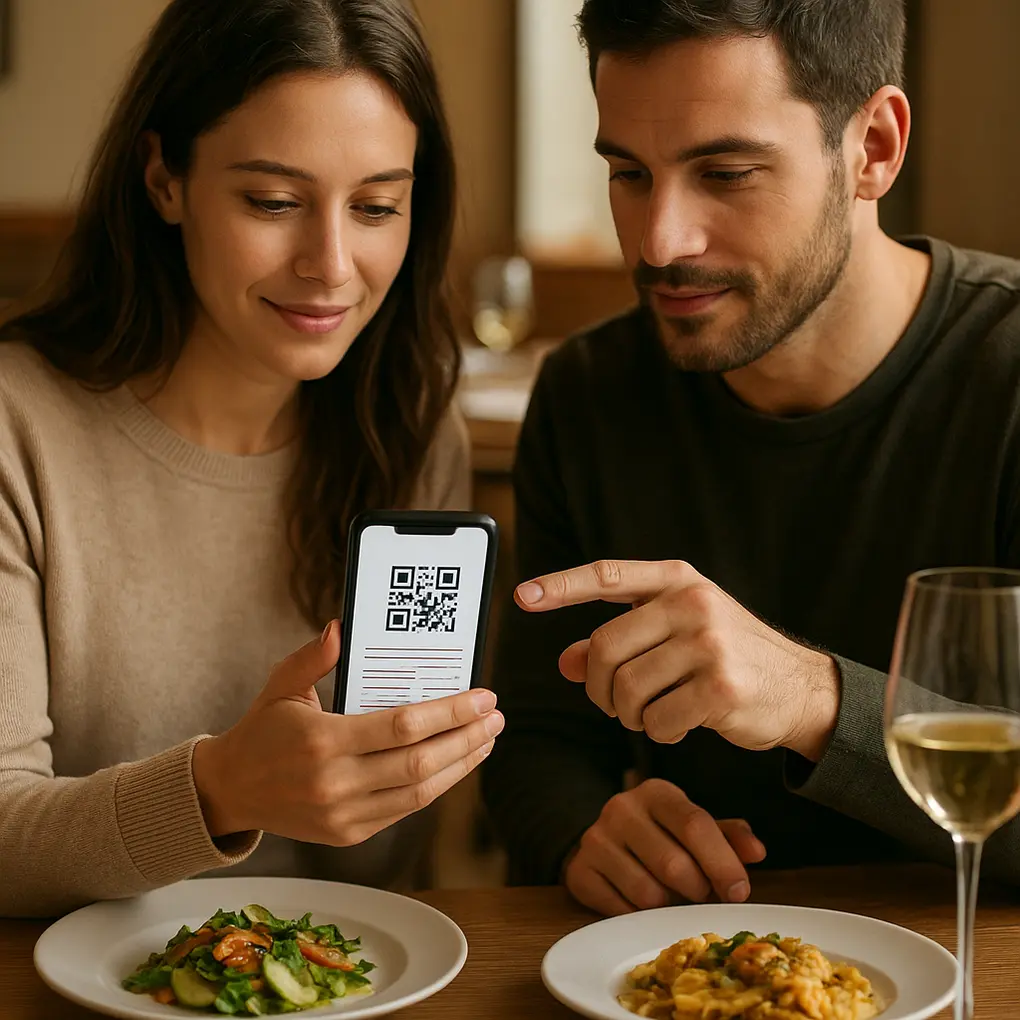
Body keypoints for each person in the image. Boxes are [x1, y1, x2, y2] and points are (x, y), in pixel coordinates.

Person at [482, 0, 1020, 916]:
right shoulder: (587, 394)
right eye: (629, 174)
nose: (660, 242)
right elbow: (535, 740)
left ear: (875, 148)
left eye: (726, 173)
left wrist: (812, 700)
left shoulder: (1004, 380)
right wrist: (586, 829)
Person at [0, 0, 506, 919]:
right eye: (273, 201)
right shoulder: (16, 429)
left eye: (377, 206)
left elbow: (410, 843)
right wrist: (218, 791)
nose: (331, 264)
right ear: (164, 178)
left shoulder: (410, 424)